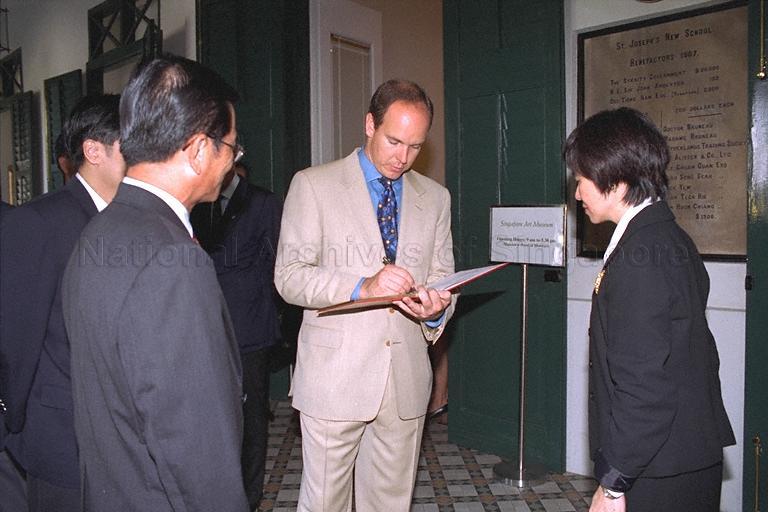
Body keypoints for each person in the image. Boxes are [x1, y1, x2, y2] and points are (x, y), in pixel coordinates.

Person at [61, 55, 248, 512]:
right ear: (200, 150)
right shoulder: (173, 261)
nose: (232, 162)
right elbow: (195, 446)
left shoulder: (98, 231)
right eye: (232, 148)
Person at [275, 79, 456, 511]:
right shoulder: (313, 185)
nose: (402, 157)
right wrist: (363, 287)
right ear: (370, 124)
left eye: (415, 146)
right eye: (394, 141)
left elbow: (443, 277)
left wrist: (435, 311)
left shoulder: (436, 198)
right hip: (333, 379)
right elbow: (289, 277)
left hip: (405, 382)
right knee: (324, 504)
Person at [563, 107, 735, 512]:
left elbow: (644, 388)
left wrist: (613, 484)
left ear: (616, 180)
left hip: (656, 469)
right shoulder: (669, 237)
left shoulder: (639, 258)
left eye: (581, 179)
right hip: (681, 454)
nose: (577, 193)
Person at [0, 94, 124, 512]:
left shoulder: (134, 219)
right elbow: (15, 338)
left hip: (121, 437)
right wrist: (13, 421)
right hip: (61, 438)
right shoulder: (38, 222)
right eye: (133, 144)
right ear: (94, 151)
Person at [190, 160, 282, 509]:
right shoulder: (196, 199)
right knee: (212, 415)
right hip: (202, 324)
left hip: (249, 327)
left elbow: (278, 265)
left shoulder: (262, 202)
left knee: (252, 418)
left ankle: (249, 497)